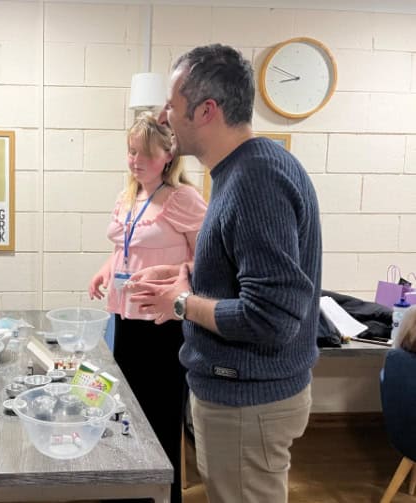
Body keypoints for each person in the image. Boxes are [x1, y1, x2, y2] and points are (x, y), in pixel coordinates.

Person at [127, 44, 322, 503]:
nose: (163, 114)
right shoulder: (242, 170)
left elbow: (272, 316)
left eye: (172, 105)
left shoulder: (257, 181)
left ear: (206, 110)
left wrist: (180, 303)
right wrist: (187, 274)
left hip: (249, 403)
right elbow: (244, 268)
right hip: (242, 398)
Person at [87, 111, 206, 503]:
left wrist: (180, 273)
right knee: (127, 415)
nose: (134, 161)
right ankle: (131, 492)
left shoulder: (183, 198)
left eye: (144, 154)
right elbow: (121, 249)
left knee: (158, 418)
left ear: (168, 156)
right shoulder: (128, 197)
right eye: (130, 152)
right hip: (126, 319)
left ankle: (163, 495)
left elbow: (211, 259)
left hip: (162, 324)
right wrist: (104, 272)